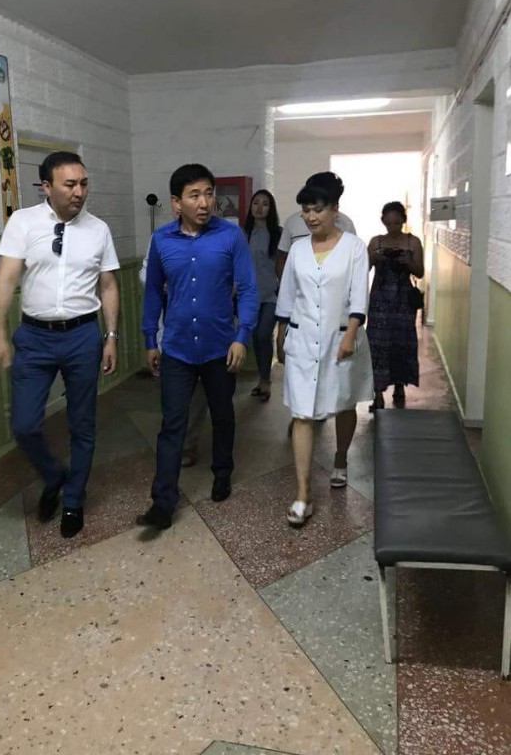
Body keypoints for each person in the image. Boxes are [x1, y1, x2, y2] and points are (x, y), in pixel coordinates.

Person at [0, 151, 120, 539]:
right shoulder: (23, 222)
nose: (79, 192)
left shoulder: (98, 230)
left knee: (82, 423)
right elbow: (5, 280)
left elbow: (108, 285)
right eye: (70, 184)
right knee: (24, 424)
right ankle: (53, 475)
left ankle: (74, 499)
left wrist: (111, 336)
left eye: (84, 183)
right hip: (34, 338)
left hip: (82, 335)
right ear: (46, 186)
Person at [138, 163, 259, 530]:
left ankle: (222, 473)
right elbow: (152, 293)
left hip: (220, 347)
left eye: (209, 193)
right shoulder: (161, 240)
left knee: (222, 415)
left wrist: (241, 337)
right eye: (195, 195)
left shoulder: (230, 236)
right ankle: (162, 503)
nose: (205, 202)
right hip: (176, 347)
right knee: (172, 424)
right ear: (176, 202)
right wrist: (150, 339)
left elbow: (248, 289)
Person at [276, 175, 373, 527]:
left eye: (317, 209)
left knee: (344, 403)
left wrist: (350, 335)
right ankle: (303, 495)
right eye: (305, 210)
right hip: (302, 340)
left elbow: (358, 296)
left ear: (335, 210)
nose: (311, 217)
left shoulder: (354, 247)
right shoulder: (299, 249)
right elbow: (288, 296)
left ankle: (341, 458)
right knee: (302, 413)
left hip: (341, 338)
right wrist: (281, 334)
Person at [139, 241, 207, 466]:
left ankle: (189, 443)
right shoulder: (162, 239)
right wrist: (168, 281)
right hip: (171, 330)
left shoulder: (217, 237)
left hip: (205, 330)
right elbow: (146, 275)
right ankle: (174, 442)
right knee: (174, 394)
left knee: (199, 391)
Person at [367, 201, 424, 410]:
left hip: (403, 301)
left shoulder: (413, 242)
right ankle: (378, 393)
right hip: (380, 300)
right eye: (388, 223)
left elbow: (420, 272)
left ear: (403, 221)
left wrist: (408, 262)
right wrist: (374, 257)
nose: (392, 227)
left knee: (402, 342)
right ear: (383, 221)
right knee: (377, 344)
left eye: (397, 223)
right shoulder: (376, 242)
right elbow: (363, 267)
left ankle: (400, 385)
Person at [275, 171, 356, 279]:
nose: (312, 218)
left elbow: (352, 264)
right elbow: (282, 257)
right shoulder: (293, 223)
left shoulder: (346, 224)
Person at [245, 189, 281, 401]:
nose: (259, 207)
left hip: (272, 295)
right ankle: (262, 377)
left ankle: (266, 380)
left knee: (263, 335)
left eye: (265, 204)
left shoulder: (277, 234)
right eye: (256, 202)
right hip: (249, 296)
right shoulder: (244, 233)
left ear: (270, 209)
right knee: (255, 338)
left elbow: (283, 265)